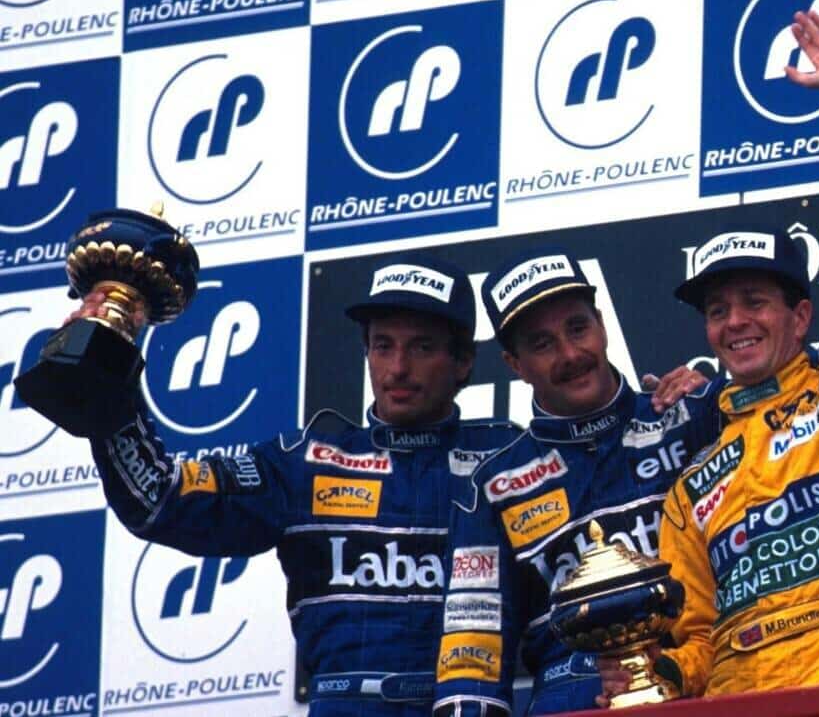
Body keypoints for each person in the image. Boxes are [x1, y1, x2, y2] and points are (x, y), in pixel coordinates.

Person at [599, 10, 819, 701]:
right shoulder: (689, 490)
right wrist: (658, 674)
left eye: (755, 301)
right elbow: (697, 641)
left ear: (800, 317)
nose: (736, 322)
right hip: (737, 698)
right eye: (718, 310)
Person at [75, 253, 521, 716]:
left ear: (464, 361)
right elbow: (158, 499)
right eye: (382, 346)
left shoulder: (507, 460)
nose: (398, 368)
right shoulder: (303, 463)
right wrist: (107, 375)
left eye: (422, 348)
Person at [432, 248, 725, 716]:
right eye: (542, 344)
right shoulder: (494, 487)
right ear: (514, 363)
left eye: (577, 328)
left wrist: (714, 396)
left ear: (602, 325)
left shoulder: (688, 417)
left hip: (704, 677)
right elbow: (473, 651)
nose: (570, 354)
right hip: (570, 692)